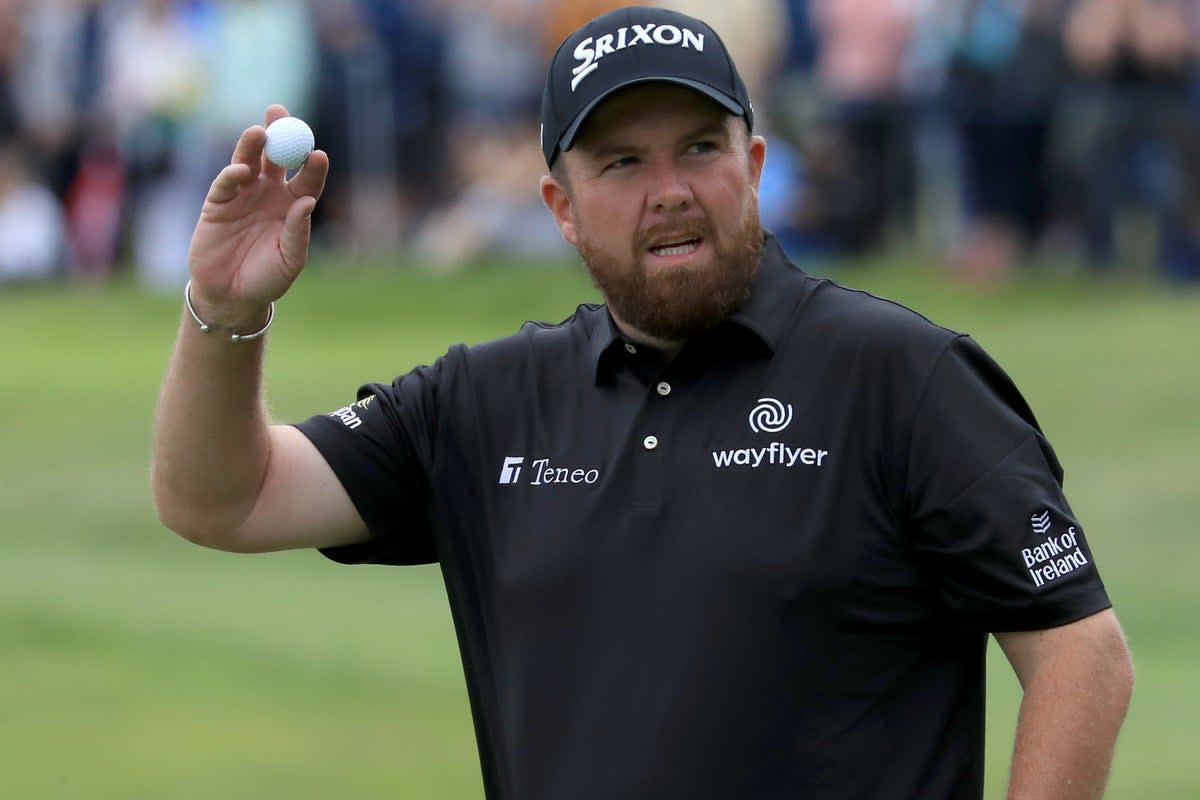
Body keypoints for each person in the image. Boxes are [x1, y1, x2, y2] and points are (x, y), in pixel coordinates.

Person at [152, 7, 1134, 799]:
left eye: (699, 147)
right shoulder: (488, 402)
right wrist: (223, 311)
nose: (668, 189)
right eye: (621, 161)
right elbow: (222, 498)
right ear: (561, 207)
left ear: (752, 168)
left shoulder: (902, 378)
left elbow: (1082, 656)